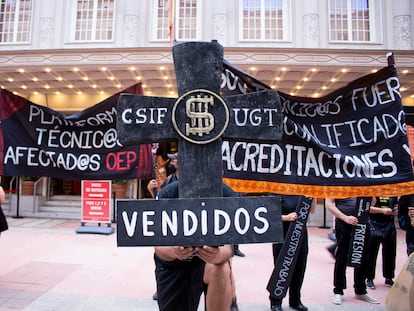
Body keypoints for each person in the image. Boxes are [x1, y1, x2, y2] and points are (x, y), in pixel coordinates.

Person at [154, 180, 235, 311]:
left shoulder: (227, 195)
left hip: (208, 263)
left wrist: (219, 255)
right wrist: (174, 252)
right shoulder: (168, 193)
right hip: (173, 266)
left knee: (220, 268)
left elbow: (231, 247)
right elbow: (158, 247)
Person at [325, 197, 380, 305]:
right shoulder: (339, 182)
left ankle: (360, 289)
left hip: (362, 222)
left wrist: (370, 192)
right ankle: (338, 290)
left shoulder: (364, 182)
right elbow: (329, 204)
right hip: (344, 222)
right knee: (342, 257)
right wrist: (344, 217)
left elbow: (372, 202)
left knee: (363, 256)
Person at [269, 195, 316, 311]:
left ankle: (295, 300)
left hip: (300, 233)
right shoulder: (277, 190)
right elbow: (270, 214)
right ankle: (276, 301)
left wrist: (314, 195)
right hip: (282, 233)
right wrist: (287, 217)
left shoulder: (301, 191)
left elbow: (313, 211)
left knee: (300, 267)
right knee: (282, 267)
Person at [366, 196, 398, 289]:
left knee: (390, 252)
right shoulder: (374, 191)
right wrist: (382, 211)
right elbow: (368, 208)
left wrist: (395, 210)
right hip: (374, 223)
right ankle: (369, 278)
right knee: (371, 252)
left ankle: (389, 277)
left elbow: (396, 207)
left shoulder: (393, 193)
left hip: (389, 224)